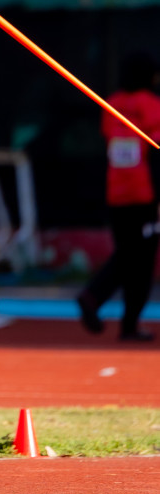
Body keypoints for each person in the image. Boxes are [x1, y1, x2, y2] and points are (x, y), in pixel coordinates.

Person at [77, 52, 160, 342]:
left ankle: (126, 322)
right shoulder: (151, 106)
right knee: (138, 259)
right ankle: (96, 298)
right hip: (144, 194)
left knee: (129, 253)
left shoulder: (111, 104)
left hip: (117, 193)